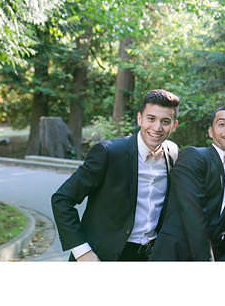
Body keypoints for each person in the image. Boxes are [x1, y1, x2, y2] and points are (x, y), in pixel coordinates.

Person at [51, 89, 181, 261]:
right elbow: (62, 199)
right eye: (151, 119)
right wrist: (82, 252)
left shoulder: (172, 152)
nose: (157, 127)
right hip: (103, 256)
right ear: (139, 119)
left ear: (174, 125)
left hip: (150, 256)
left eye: (165, 121)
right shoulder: (108, 153)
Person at [151, 106, 225, 261]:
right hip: (174, 255)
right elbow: (193, 216)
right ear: (210, 132)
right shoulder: (193, 157)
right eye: (221, 124)